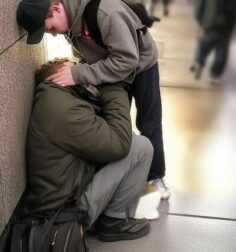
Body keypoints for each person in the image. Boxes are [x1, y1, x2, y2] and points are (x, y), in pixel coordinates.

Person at [16, 0, 171, 200]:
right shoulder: (71, 23)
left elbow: (127, 60)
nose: (54, 33)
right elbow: (85, 51)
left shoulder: (107, 13)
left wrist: (79, 75)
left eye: (50, 28)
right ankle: (131, 170)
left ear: (56, 8)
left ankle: (156, 176)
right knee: (116, 122)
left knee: (149, 122)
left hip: (140, 65)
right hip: (110, 63)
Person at [23, 58, 153, 242]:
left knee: (133, 141)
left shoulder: (56, 100)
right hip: (66, 210)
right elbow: (120, 143)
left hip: (67, 193)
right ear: (58, 78)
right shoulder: (63, 110)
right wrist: (112, 84)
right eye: (72, 69)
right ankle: (114, 223)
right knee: (141, 147)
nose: (80, 72)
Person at [191, 0, 236, 83]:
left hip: (209, 24)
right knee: (221, 54)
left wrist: (201, 22)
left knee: (203, 46)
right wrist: (231, 28)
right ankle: (215, 75)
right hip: (224, 27)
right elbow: (233, 11)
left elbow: (199, 7)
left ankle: (199, 60)